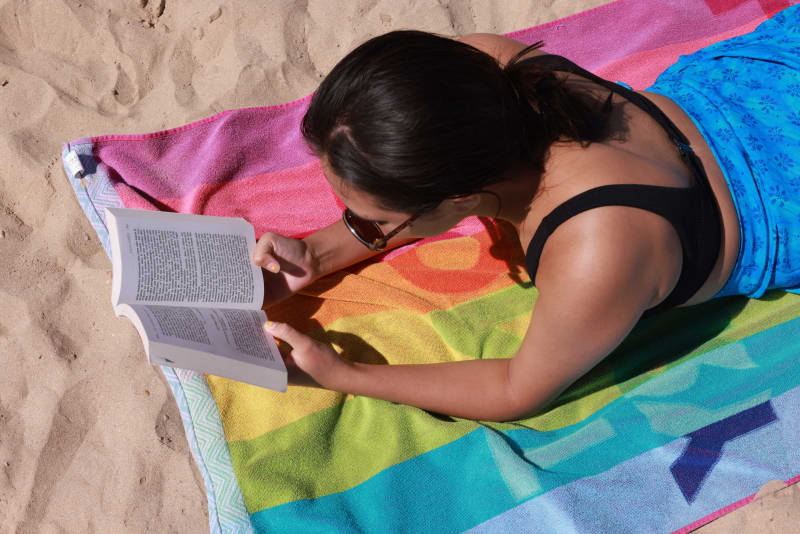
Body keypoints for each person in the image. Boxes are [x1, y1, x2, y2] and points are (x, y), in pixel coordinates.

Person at [254, 6, 800, 421]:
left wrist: (343, 373)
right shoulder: (489, 69)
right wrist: (318, 253)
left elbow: (519, 389)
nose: (366, 225)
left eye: (380, 218)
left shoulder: (598, 246)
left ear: (462, 202)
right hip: (761, 76)